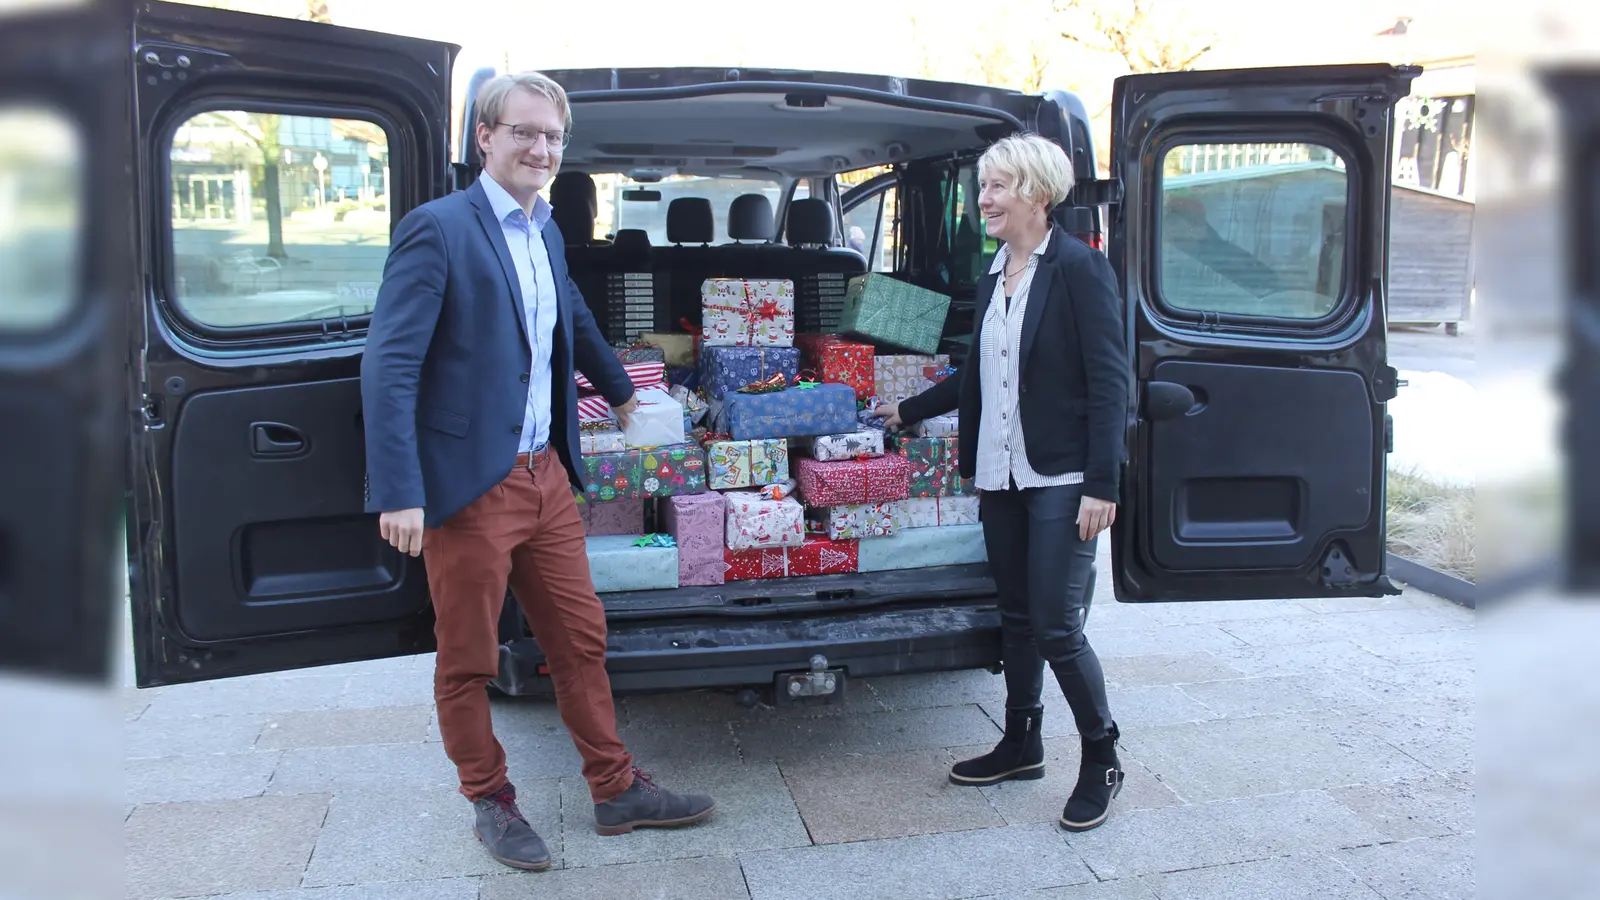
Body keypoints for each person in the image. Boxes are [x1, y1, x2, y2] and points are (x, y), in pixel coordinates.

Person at [361, 71, 715, 872]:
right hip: (468, 484)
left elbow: (574, 318)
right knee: (470, 658)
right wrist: (400, 489)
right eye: (524, 132)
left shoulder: (546, 230)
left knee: (580, 638)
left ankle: (616, 788)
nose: (541, 149)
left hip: (545, 473)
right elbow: (390, 365)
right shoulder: (438, 228)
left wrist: (624, 396)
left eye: (553, 137)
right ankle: (491, 800)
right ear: (484, 138)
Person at [874, 133, 1129, 833]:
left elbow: (1112, 382)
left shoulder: (1077, 270)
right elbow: (979, 373)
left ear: (1038, 195)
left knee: (1055, 624)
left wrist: (1103, 484)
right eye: (982, 186)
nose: (983, 198)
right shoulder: (994, 273)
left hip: (1064, 475)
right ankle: (1022, 742)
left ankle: (1102, 754)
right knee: (1014, 618)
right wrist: (911, 407)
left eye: (998, 186)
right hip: (1001, 473)